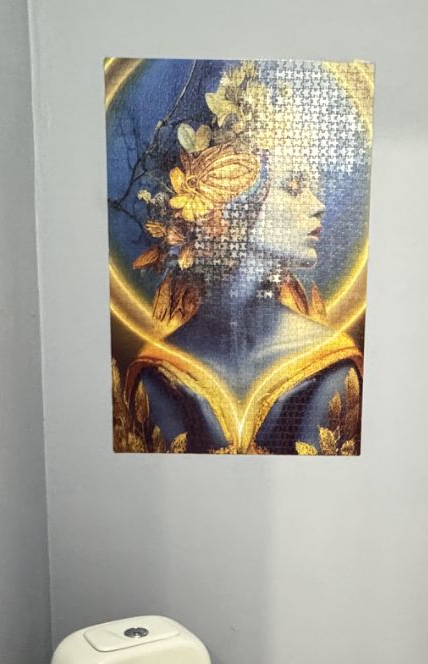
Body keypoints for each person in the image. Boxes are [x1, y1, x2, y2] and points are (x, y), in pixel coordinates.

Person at [113, 62, 363, 455]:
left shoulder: (331, 365)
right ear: (230, 202)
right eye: (294, 187)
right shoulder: (159, 373)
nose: (318, 206)